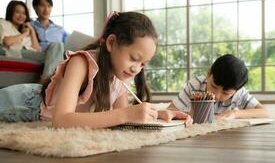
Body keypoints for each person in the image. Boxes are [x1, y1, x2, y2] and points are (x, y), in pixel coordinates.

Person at [0, 11, 192, 128]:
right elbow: (61, 120)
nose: (136, 69)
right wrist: (125, 114)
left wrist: (158, 114)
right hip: (21, 103)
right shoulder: (81, 63)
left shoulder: (120, 75)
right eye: (134, 58)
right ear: (111, 43)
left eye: (143, 64)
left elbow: (124, 115)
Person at [169, 54, 269, 120]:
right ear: (208, 74)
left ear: (236, 91)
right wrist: (190, 115)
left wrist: (235, 113)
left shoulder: (238, 92)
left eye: (225, 93)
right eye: (213, 86)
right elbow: (170, 110)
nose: (216, 95)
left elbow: (265, 112)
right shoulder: (195, 85)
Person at [0, 0, 64, 80]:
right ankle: (46, 81)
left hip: (30, 53)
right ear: (11, 12)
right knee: (56, 54)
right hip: (16, 52)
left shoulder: (23, 30)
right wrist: (25, 34)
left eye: (24, 13)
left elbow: (36, 49)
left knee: (58, 46)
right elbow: (7, 42)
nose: (21, 16)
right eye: (17, 12)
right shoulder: (4, 23)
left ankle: (45, 80)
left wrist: (31, 30)